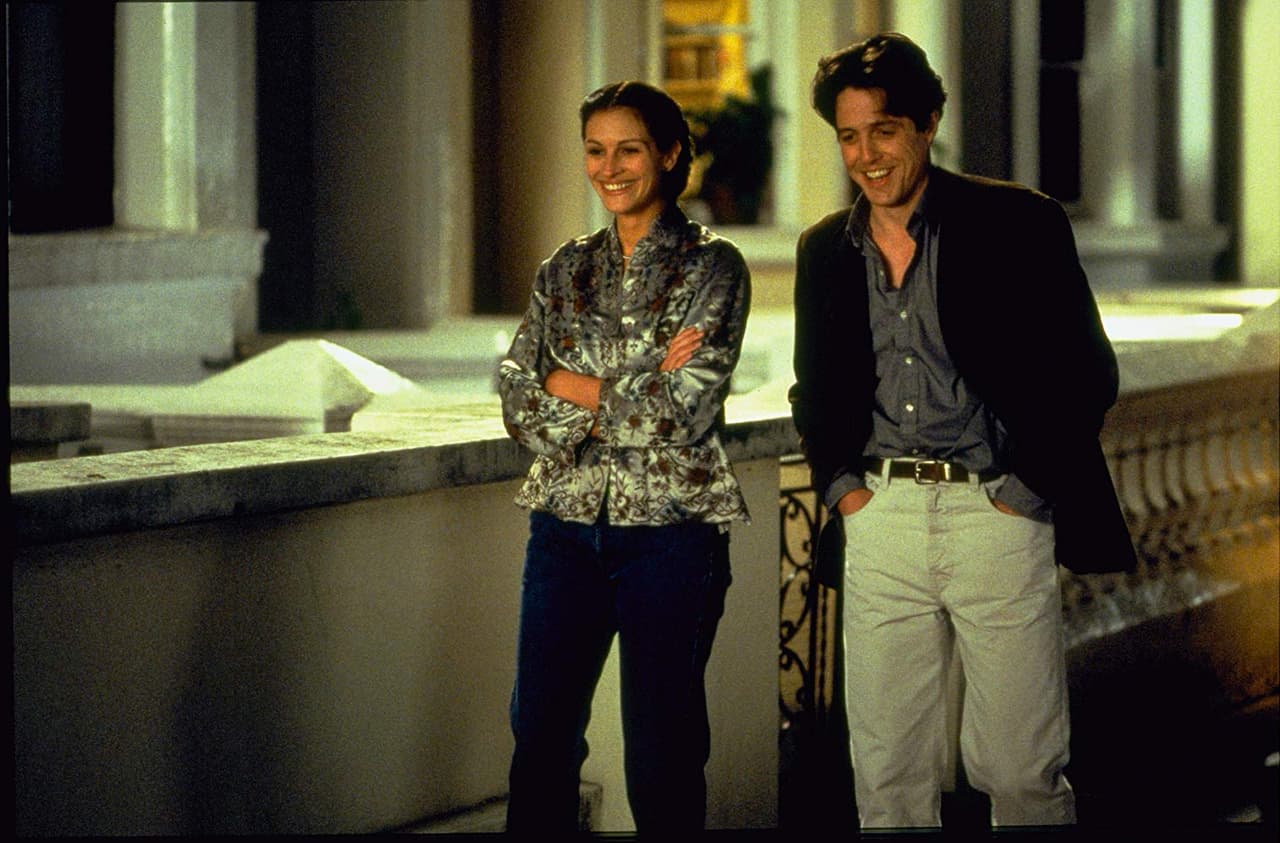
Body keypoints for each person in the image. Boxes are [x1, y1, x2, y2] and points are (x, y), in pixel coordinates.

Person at [789, 33, 1137, 831]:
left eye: (884, 131)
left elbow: (1087, 372)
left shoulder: (1019, 222)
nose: (866, 156)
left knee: (1020, 768)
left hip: (996, 514)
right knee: (887, 775)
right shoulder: (824, 250)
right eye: (849, 136)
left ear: (928, 123)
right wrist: (844, 491)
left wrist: (1024, 491)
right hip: (880, 519)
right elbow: (815, 391)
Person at [497, 80, 751, 833]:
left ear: (668, 155)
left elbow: (683, 410)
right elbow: (516, 397)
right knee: (539, 741)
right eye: (596, 150)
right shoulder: (563, 269)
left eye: (629, 150)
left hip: (672, 536)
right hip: (563, 530)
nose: (609, 168)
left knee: (661, 756)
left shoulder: (713, 267)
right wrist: (641, 379)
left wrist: (568, 381)